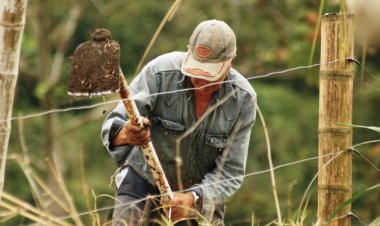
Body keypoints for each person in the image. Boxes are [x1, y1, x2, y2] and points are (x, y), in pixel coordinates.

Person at [101, 19, 257, 226]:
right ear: (188, 52)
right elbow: (113, 125)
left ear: (231, 62)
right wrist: (126, 134)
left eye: (210, 74)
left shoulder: (243, 100)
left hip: (199, 198)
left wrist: (193, 200)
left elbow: (231, 172)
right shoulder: (159, 73)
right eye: (196, 71)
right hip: (142, 183)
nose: (201, 81)